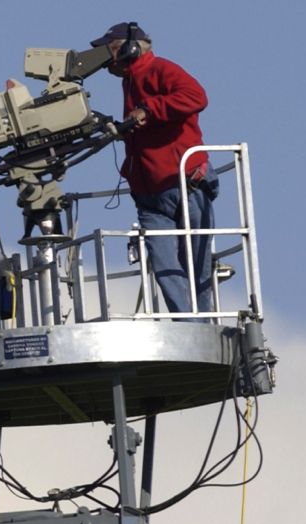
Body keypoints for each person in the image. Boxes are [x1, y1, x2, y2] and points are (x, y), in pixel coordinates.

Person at [92, 22, 220, 317]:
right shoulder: (130, 80)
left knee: (195, 265)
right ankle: (190, 328)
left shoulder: (161, 69)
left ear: (129, 48)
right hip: (151, 194)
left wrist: (148, 110)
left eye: (107, 50)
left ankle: (203, 326)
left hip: (184, 184)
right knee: (165, 267)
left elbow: (197, 97)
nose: (103, 60)